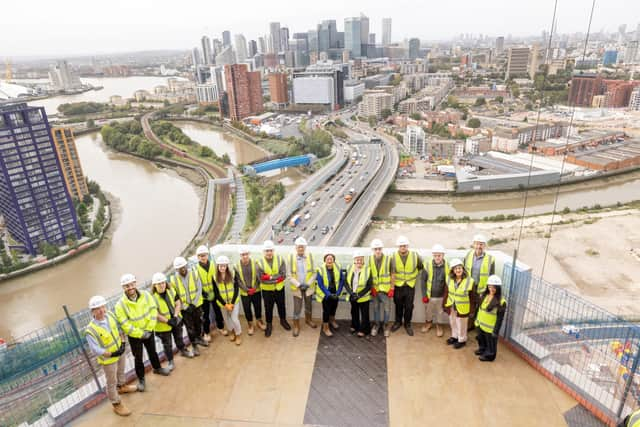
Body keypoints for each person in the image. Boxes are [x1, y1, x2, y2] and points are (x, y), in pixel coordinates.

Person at [114, 273, 170, 392]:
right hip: (135, 336)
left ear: (135, 283)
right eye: (126, 286)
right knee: (138, 358)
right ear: (123, 288)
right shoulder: (120, 305)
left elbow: (153, 310)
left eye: (132, 284)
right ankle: (141, 379)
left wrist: (149, 329)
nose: (130, 287)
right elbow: (125, 324)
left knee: (152, 351)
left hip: (148, 331)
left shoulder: (145, 295)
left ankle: (157, 368)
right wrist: (140, 333)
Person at [85, 295, 137, 416]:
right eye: (97, 308)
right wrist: (111, 354)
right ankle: (116, 403)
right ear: (92, 311)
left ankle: (122, 386)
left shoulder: (111, 316)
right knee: (111, 381)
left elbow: (119, 330)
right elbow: (95, 349)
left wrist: (123, 343)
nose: (101, 310)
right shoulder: (91, 330)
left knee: (121, 372)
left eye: (103, 306)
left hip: (120, 351)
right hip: (108, 359)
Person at [150, 272, 194, 370]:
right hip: (163, 325)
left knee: (179, 338)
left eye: (163, 283)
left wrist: (175, 316)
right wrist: (168, 321)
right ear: (154, 285)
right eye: (159, 284)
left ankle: (183, 351)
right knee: (167, 344)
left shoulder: (171, 291)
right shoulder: (152, 298)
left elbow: (178, 303)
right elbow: (155, 313)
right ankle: (170, 361)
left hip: (175, 320)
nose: (162, 285)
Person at [170, 257, 208, 356]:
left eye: (183, 267)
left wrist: (193, 304)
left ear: (186, 265)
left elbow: (199, 289)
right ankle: (194, 345)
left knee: (199, 323)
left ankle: (199, 338)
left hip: (196, 305)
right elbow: (176, 296)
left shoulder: (194, 273)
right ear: (176, 269)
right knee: (190, 327)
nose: (182, 269)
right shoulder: (173, 280)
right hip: (185, 309)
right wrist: (186, 306)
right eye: (179, 268)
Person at [389, 236, 423, 336]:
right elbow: (391, 272)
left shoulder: (415, 255)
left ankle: (407, 324)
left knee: (409, 306)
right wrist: (392, 287)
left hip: (410, 285)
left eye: (404, 245)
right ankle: (398, 322)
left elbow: (420, 267)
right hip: (398, 285)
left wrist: (413, 276)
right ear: (398, 247)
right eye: (401, 246)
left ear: (407, 246)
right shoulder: (393, 257)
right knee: (398, 305)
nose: (403, 247)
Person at [257, 240, 291, 337]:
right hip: (267, 291)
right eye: (267, 251)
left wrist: (270, 277)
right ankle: (269, 325)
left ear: (273, 250)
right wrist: (276, 279)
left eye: (270, 250)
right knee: (268, 309)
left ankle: (283, 321)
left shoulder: (280, 259)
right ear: (264, 251)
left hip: (279, 289)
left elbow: (283, 275)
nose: (269, 252)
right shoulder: (259, 263)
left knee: (281, 306)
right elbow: (261, 279)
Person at [464, 234, 495, 331]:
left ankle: (478, 327)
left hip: (482, 289)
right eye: (477, 244)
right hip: (470, 286)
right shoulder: (468, 255)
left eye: (481, 244)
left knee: (480, 308)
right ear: (473, 245)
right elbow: (464, 271)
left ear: (484, 246)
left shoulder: (490, 259)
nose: (479, 246)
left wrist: (488, 290)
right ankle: (469, 326)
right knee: (470, 307)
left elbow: (491, 276)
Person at [287, 237, 318, 337]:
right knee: (297, 308)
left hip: (308, 287)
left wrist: (308, 284)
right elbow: (289, 275)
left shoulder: (311, 257)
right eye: (299, 247)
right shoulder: (290, 257)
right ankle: (296, 325)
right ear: (295, 247)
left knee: (308, 305)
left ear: (305, 247)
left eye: (302, 247)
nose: (301, 249)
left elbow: (314, 273)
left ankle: (308, 320)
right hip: (297, 288)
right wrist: (299, 285)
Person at [195, 245, 225, 341]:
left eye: (204, 255)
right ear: (198, 257)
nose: (203, 257)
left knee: (218, 311)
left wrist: (215, 292)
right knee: (205, 315)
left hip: (214, 292)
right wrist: (204, 294)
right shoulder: (195, 269)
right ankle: (207, 333)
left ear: (207, 255)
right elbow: (196, 284)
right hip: (204, 296)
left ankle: (221, 327)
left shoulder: (213, 264)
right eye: (200, 256)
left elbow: (215, 279)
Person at [443, 259, 475, 349]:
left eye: (460, 268)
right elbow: (446, 292)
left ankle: (462, 340)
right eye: (456, 268)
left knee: (462, 324)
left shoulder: (470, 281)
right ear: (453, 270)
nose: (458, 270)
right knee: (453, 322)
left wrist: (472, 309)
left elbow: (472, 297)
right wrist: (444, 304)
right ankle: (454, 336)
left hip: (463, 307)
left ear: (463, 269)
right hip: (452, 305)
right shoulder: (449, 279)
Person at [475, 275, 507, 362]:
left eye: (494, 287)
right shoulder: (484, 295)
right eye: (489, 286)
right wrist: (476, 320)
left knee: (490, 343)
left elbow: (500, 319)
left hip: (490, 328)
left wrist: (495, 331)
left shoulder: (501, 302)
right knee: (481, 339)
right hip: (480, 324)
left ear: (498, 288)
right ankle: (482, 349)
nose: (491, 289)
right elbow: (479, 309)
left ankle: (489, 355)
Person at [234, 247, 266, 335]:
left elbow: (259, 277)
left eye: (246, 254)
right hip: (245, 293)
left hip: (256, 291)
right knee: (247, 309)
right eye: (243, 255)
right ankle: (250, 324)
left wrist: (254, 288)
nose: (245, 256)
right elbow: (238, 280)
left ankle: (259, 321)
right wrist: (246, 289)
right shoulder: (236, 266)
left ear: (249, 254)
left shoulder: (256, 263)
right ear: (240, 255)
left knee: (258, 307)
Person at [420, 244, 449, 337]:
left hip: (441, 295)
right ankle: (428, 323)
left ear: (443, 255)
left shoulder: (448, 266)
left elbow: (449, 282)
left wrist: (447, 296)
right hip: (430, 295)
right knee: (428, 311)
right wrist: (424, 295)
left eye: (439, 255)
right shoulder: (427, 265)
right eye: (435, 255)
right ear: (433, 255)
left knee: (440, 312)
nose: (437, 257)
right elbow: (423, 280)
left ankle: (439, 326)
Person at [213, 256, 242, 345]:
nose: (222, 268)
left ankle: (238, 334)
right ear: (217, 266)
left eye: (224, 266)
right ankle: (232, 332)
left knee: (234, 319)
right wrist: (225, 304)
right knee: (227, 319)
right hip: (223, 304)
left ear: (227, 266)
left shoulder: (233, 273)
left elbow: (236, 288)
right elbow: (216, 293)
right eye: (220, 266)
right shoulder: (214, 277)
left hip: (234, 301)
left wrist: (232, 303)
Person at [315, 251, 346, 337]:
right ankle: (325, 327)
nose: (329, 260)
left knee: (334, 308)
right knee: (326, 311)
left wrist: (338, 292)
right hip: (325, 294)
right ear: (325, 260)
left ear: (333, 260)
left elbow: (342, 280)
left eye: (331, 259)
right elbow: (320, 284)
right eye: (327, 259)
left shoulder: (337, 267)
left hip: (335, 292)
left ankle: (332, 320)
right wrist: (328, 294)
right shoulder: (320, 269)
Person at [345, 250, 373, 337]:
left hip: (363, 296)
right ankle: (355, 326)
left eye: (361, 259)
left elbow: (369, 285)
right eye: (357, 259)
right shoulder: (349, 268)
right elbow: (345, 282)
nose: (359, 261)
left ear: (363, 260)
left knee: (364, 314)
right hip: (352, 296)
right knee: (354, 311)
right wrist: (351, 293)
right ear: (354, 260)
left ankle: (364, 329)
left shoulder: (368, 270)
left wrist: (359, 295)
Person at [369, 239, 393, 337]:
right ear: (373, 250)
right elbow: (369, 274)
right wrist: (371, 287)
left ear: (382, 249)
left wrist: (392, 288)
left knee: (387, 309)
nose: (378, 251)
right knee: (376, 308)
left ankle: (386, 326)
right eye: (376, 249)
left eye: (379, 249)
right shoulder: (370, 259)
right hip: (375, 290)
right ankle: (376, 325)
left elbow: (392, 274)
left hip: (386, 290)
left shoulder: (388, 259)